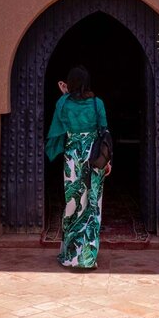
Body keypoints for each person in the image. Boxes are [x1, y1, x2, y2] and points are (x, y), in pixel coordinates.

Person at [45, 66, 111, 269]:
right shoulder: (97, 103)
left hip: (73, 157)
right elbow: (104, 131)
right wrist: (108, 160)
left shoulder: (63, 103)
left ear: (70, 83)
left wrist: (65, 95)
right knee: (92, 203)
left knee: (73, 202)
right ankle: (88, 258)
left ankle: (70, 256)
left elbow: (61, 119)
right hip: (94, 158)